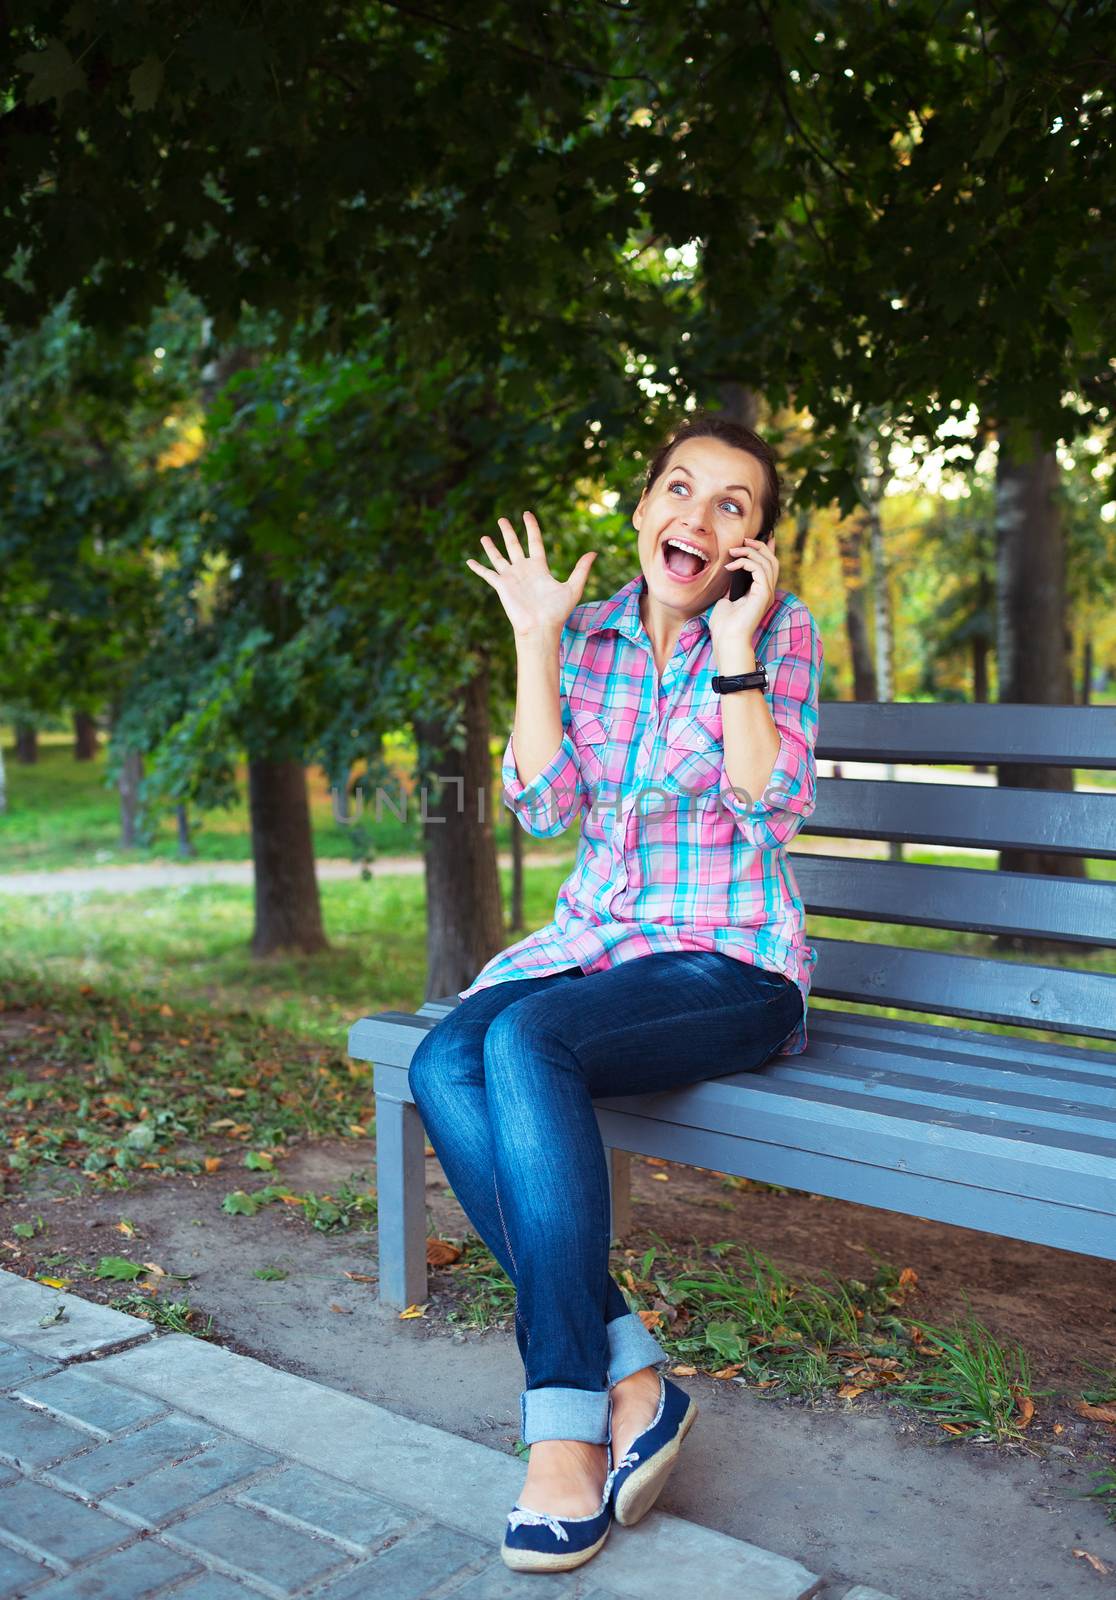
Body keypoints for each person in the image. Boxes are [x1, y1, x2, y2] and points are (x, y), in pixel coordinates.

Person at [408, 412, 824, 1573]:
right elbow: (545, 808)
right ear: (644, 511)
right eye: (679, 490)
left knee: (526, 1043)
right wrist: (536, 642)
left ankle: (562, 1427)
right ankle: (636, 1375)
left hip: (731, 962)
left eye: (732, 504)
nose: (697, 514)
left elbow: (768, 803)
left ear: (752, 547)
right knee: (445, 1056)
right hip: (598, 947)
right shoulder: (585, 637)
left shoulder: (778, 633)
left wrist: (737, 645)